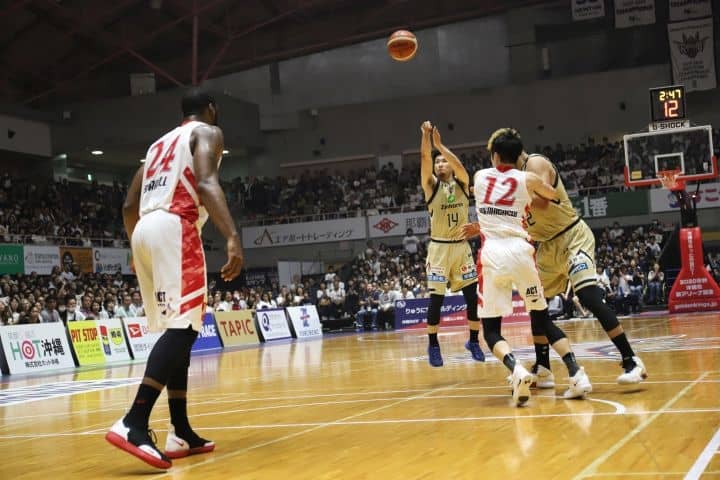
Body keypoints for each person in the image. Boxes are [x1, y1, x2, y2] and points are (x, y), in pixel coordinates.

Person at [106, 88, 243, 470]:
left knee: (178, 328)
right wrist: (232, 236)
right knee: (183, 328)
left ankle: (179, 430)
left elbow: (129, 205)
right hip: (176, 226)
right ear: (211, 109)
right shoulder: (207, 132)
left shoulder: (156, 147)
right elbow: (205, 183)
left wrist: (138, 247)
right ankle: (134, 421)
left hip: (144, 229)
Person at [487, 127, 646, 385]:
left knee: (589, 296)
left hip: (572, 237)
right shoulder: (511, 179)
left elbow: (542, 201)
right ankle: (543, 368)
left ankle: (631, 360)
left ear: (498, 156)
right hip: (546, 247)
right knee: (536, 304)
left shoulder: (534, 164)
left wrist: (505, 197)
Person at [462, 128, 591, 406]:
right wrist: (529, 195)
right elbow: (551, 195)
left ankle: (516, 370)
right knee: (542, 318)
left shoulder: (480, 176)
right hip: (522, 252)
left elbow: (481, 193)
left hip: (493, 254)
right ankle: (576, 374)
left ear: (495, 156)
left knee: (491, 330)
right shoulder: (528, 178)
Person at [419, 121, 483, 367]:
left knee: (472, 298)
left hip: (460, 248)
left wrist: (441, 146)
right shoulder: (430, 186)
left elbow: (460, 166)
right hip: (439, 249)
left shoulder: (463, 184)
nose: (440, 164)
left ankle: (474, 341)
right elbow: (425, 157)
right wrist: (427, 138)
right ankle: (433, 345)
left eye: (443, 161)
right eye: (437, 162)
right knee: (436, 300)